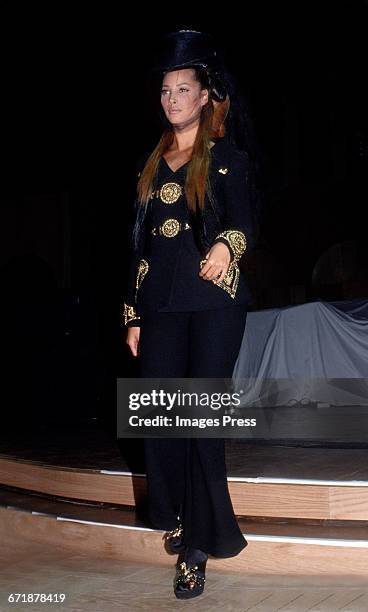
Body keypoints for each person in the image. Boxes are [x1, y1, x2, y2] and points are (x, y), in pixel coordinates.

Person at [121, 29, 257, 600]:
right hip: (162, 307)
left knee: (201, 421)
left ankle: (199, 545)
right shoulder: (151, 165)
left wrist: (226, 245)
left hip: (214, 304)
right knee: (158, 418)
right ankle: (177, 511)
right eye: (165, 90)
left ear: (204, 95)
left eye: (183, 89)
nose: (172, 98)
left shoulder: (227, 159)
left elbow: (246, 224)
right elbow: (138, 246)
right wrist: (132, 312)